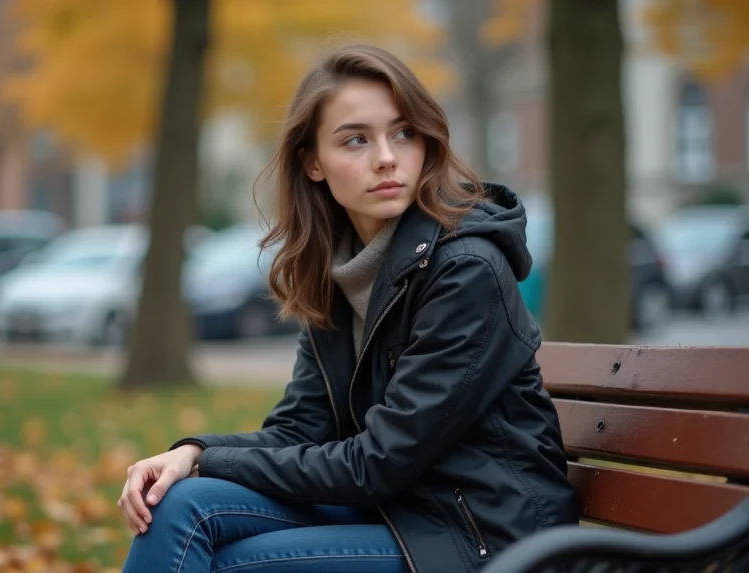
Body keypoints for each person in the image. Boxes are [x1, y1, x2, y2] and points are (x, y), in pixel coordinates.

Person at [119, 43, 578, 573]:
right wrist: (193, 452)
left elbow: (378, 463)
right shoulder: (344, 273)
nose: (386, 156)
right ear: (312, 162)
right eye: (356, 139)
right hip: (403, 511)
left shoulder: (466, 270)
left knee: (228, 562)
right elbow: (299, 431)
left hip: (485, 538)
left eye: (403, 132)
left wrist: (213, 460)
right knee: (177, 505)